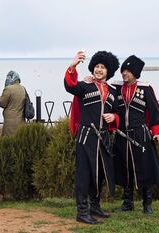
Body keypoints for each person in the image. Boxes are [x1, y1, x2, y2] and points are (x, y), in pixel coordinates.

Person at [64, 50, 120, 224]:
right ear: (92, 68)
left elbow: (117, 112)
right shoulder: (84, 86)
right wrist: (73, 66)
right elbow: (70, 86)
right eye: (97, 66)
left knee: (101, 173)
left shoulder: (113, 91)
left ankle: (95, 206)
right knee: (84, 174)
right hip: (86, 136)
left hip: (103, 138)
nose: (99, 69)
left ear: (108, 70)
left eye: (103, 67)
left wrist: (114, 118)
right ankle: (82, 212)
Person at [112, 55, 159, 214]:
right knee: (124, 169)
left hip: (141, 136)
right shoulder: (116, 88)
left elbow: (155, 111)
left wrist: (158, 132)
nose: (124, 74)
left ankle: (147, 203)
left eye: (128, 71)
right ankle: (127, 203)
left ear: (135, 72)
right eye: (123, 71)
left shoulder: (146, 89)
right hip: (122, 136)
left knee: (145, 169)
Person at [0, 70, 26, 136]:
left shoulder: (8, 89)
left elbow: (2, 103)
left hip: (10, 121)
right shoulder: (22, 88)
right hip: (21, 119)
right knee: (19, 138)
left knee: (9, 140)